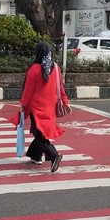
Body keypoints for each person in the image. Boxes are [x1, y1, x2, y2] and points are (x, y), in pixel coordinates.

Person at [18, 41, 72, 173]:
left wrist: (23, 105)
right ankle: (35, 155)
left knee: (39, 133)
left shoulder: (34, 69)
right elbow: (60, 88)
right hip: (50, 107)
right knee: (41, 132)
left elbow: (28, 90)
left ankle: (54, 156)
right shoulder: (56, 68)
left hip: (37, 108)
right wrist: (66, 102)